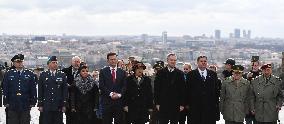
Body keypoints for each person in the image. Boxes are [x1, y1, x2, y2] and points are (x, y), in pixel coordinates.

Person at [2, 54, 37, 124]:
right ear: (14, 63)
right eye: (18, 62)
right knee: (13, 121)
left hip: (25, 102)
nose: (20, 63)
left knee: (25, 121)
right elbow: (5, 88)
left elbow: (33, 89)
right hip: (12, 103)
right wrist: (5, 101)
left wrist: (33, 101)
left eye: (21, 61)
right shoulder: (8, 74)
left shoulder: (29, 73)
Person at [186, 56, 219, 124]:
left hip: (209, 108)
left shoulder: (213, 74)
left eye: (205, 61)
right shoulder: (191, 74)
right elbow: (187, 90)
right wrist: (187, 104)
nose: (203, 63)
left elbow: (216, 90)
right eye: (201, 61)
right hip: (195, 107)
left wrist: (216, 104)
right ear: (197, 63)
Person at [154, 53, 186, 124]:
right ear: (167, 61)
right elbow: (157, 89)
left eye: (174, 60)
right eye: (171, 60)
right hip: (163, 104)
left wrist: (182, 104)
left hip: (176, 104)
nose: (173, 61)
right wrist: (157, 103)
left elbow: (183, 90)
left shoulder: (180, 73)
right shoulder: (160, 73)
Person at [38, 56, 68, 124]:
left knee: (58, 121)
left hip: (58, 105)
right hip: (47, 105)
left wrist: (64, 104)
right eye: (53, 62)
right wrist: (40, 104)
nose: (55, 64)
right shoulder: (43, 75)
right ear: (48, 64)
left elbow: (64, 91)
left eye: (56, 63)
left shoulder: (62, 75)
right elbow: (40, 91)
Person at [99, 52, 127, 124]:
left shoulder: (122, 72)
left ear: (117, 60)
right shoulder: (103, 71)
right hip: (107, 102)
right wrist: (111, 94)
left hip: (119, 103)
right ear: (108, 61)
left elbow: (124, 86)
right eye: (111, 59)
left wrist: (119, 95)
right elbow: (101, 86)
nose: (113, 61)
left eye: (114, 59)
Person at [62, 56, 82, 124]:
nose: (76, 63)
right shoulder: (64, 71)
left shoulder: (83, 72)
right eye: (75, 61)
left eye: (78, 62)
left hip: (80, 100)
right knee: (69, 119)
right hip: (68, 100)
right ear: (71, 62)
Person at [244, 56, 261, 124]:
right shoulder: (246, 75)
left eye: (256, 65)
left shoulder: (262, 75)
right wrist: (247, 78)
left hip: (258, 104)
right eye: (253, 65)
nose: (254, 67)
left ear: (258, 65)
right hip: (248, 105)